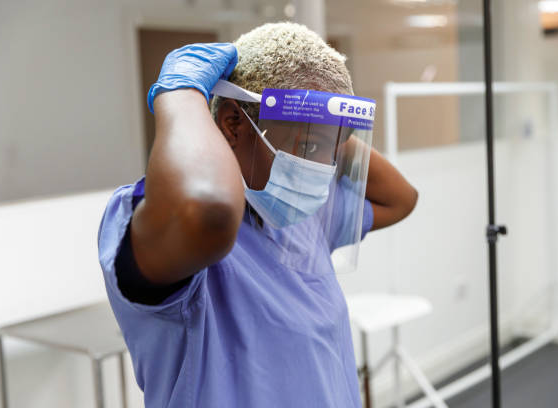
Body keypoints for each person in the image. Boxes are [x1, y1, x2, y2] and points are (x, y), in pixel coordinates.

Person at [98, 22, 418, 408]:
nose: (324, 169)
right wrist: (182, 96)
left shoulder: (300, 213)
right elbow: (209, 213)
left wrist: (329, 124)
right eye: (309, 147)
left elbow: (401, 199)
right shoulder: (164, 218)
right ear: (233, 124)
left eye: (333, 151)